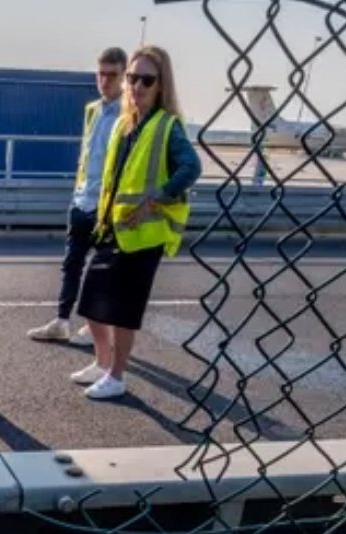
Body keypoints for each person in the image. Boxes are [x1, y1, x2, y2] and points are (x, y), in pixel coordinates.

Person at [70, 45, 202, 401]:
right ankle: (101, 363)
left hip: (145, 235)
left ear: (161, 85)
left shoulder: (167, 126)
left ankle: (117, 375)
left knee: (123, 312)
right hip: (114, 227)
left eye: (147, 79)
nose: (136, 86)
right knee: (91, 303)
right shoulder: (124, 126)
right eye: (132, 78)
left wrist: (157, 197)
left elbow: (191, 168)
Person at [27, 47, 128, 348]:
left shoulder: (128, 114)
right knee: (71, 264)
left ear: (123, 76)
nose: (105, 81)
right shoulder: (93, 110)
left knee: (102, 274)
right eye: (101, 74)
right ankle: (61, 320)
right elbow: (89, 154)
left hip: (106, 206)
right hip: (83, 200)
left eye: (112, 75)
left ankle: (94, 328)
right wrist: (77, 193)